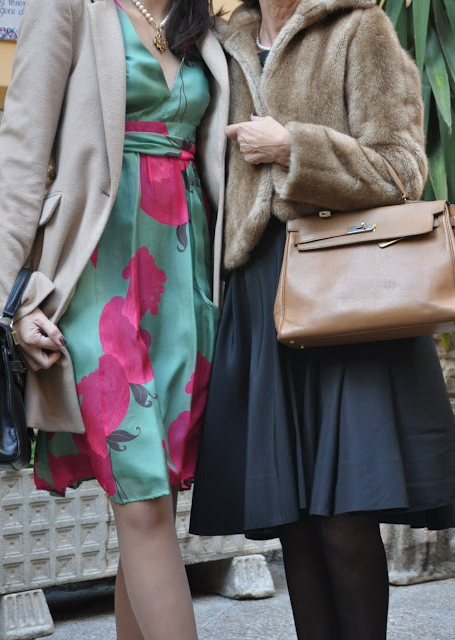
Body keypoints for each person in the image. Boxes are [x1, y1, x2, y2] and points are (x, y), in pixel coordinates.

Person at [189, 1, 455, 639]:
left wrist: (294, 147)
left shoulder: (360, 28)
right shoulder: (220, 45)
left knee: (345, 521)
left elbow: (404, 168)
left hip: (342, 298)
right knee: (295, 525)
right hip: (259, 295)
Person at [0, 0, 229, 638]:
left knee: (153, 511)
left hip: (183, 292)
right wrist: (10, 303)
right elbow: (21, 157)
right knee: (144, 503)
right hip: (97, 288)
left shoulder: (201, 25)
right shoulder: (69, 8)